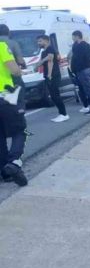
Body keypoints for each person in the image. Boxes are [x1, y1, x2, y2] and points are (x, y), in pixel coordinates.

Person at [0, 41, 28, 186]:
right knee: (19, 130)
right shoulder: (1, 46)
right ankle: (14, 163)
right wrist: (19, 70)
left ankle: (5, 173)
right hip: (5, 96)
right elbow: (14, 70)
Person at [37, 35, 69, 122]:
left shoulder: (50, 49)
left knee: (55, 95)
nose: (38, 43)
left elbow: (50, 61)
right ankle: (61, 113)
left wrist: (49, 74)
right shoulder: (44, 51)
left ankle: (64, 114)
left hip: (53, 75)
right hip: (48, 75)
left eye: (40, 41)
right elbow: (45, 61)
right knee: (53, 96)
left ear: (46, 41)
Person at [70, 30, 90, 115]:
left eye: (73, 36)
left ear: (77, 36)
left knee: (88, 89)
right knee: (86, 89)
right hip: (81, 70)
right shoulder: (78, 45)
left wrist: (84, 67)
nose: (72, 38)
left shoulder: (83, 46)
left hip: (83, 70)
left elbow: (86, 57)